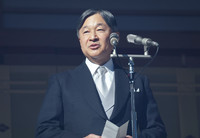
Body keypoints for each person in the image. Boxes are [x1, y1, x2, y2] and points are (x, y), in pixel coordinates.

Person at [35, 9, 167, 138]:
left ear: (115, 36)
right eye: (86, 32)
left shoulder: (137, 80)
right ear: (80, 40)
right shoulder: (62, 82)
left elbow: (157, 130)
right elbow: (44, 131)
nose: (93, 37)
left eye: (99, 30)